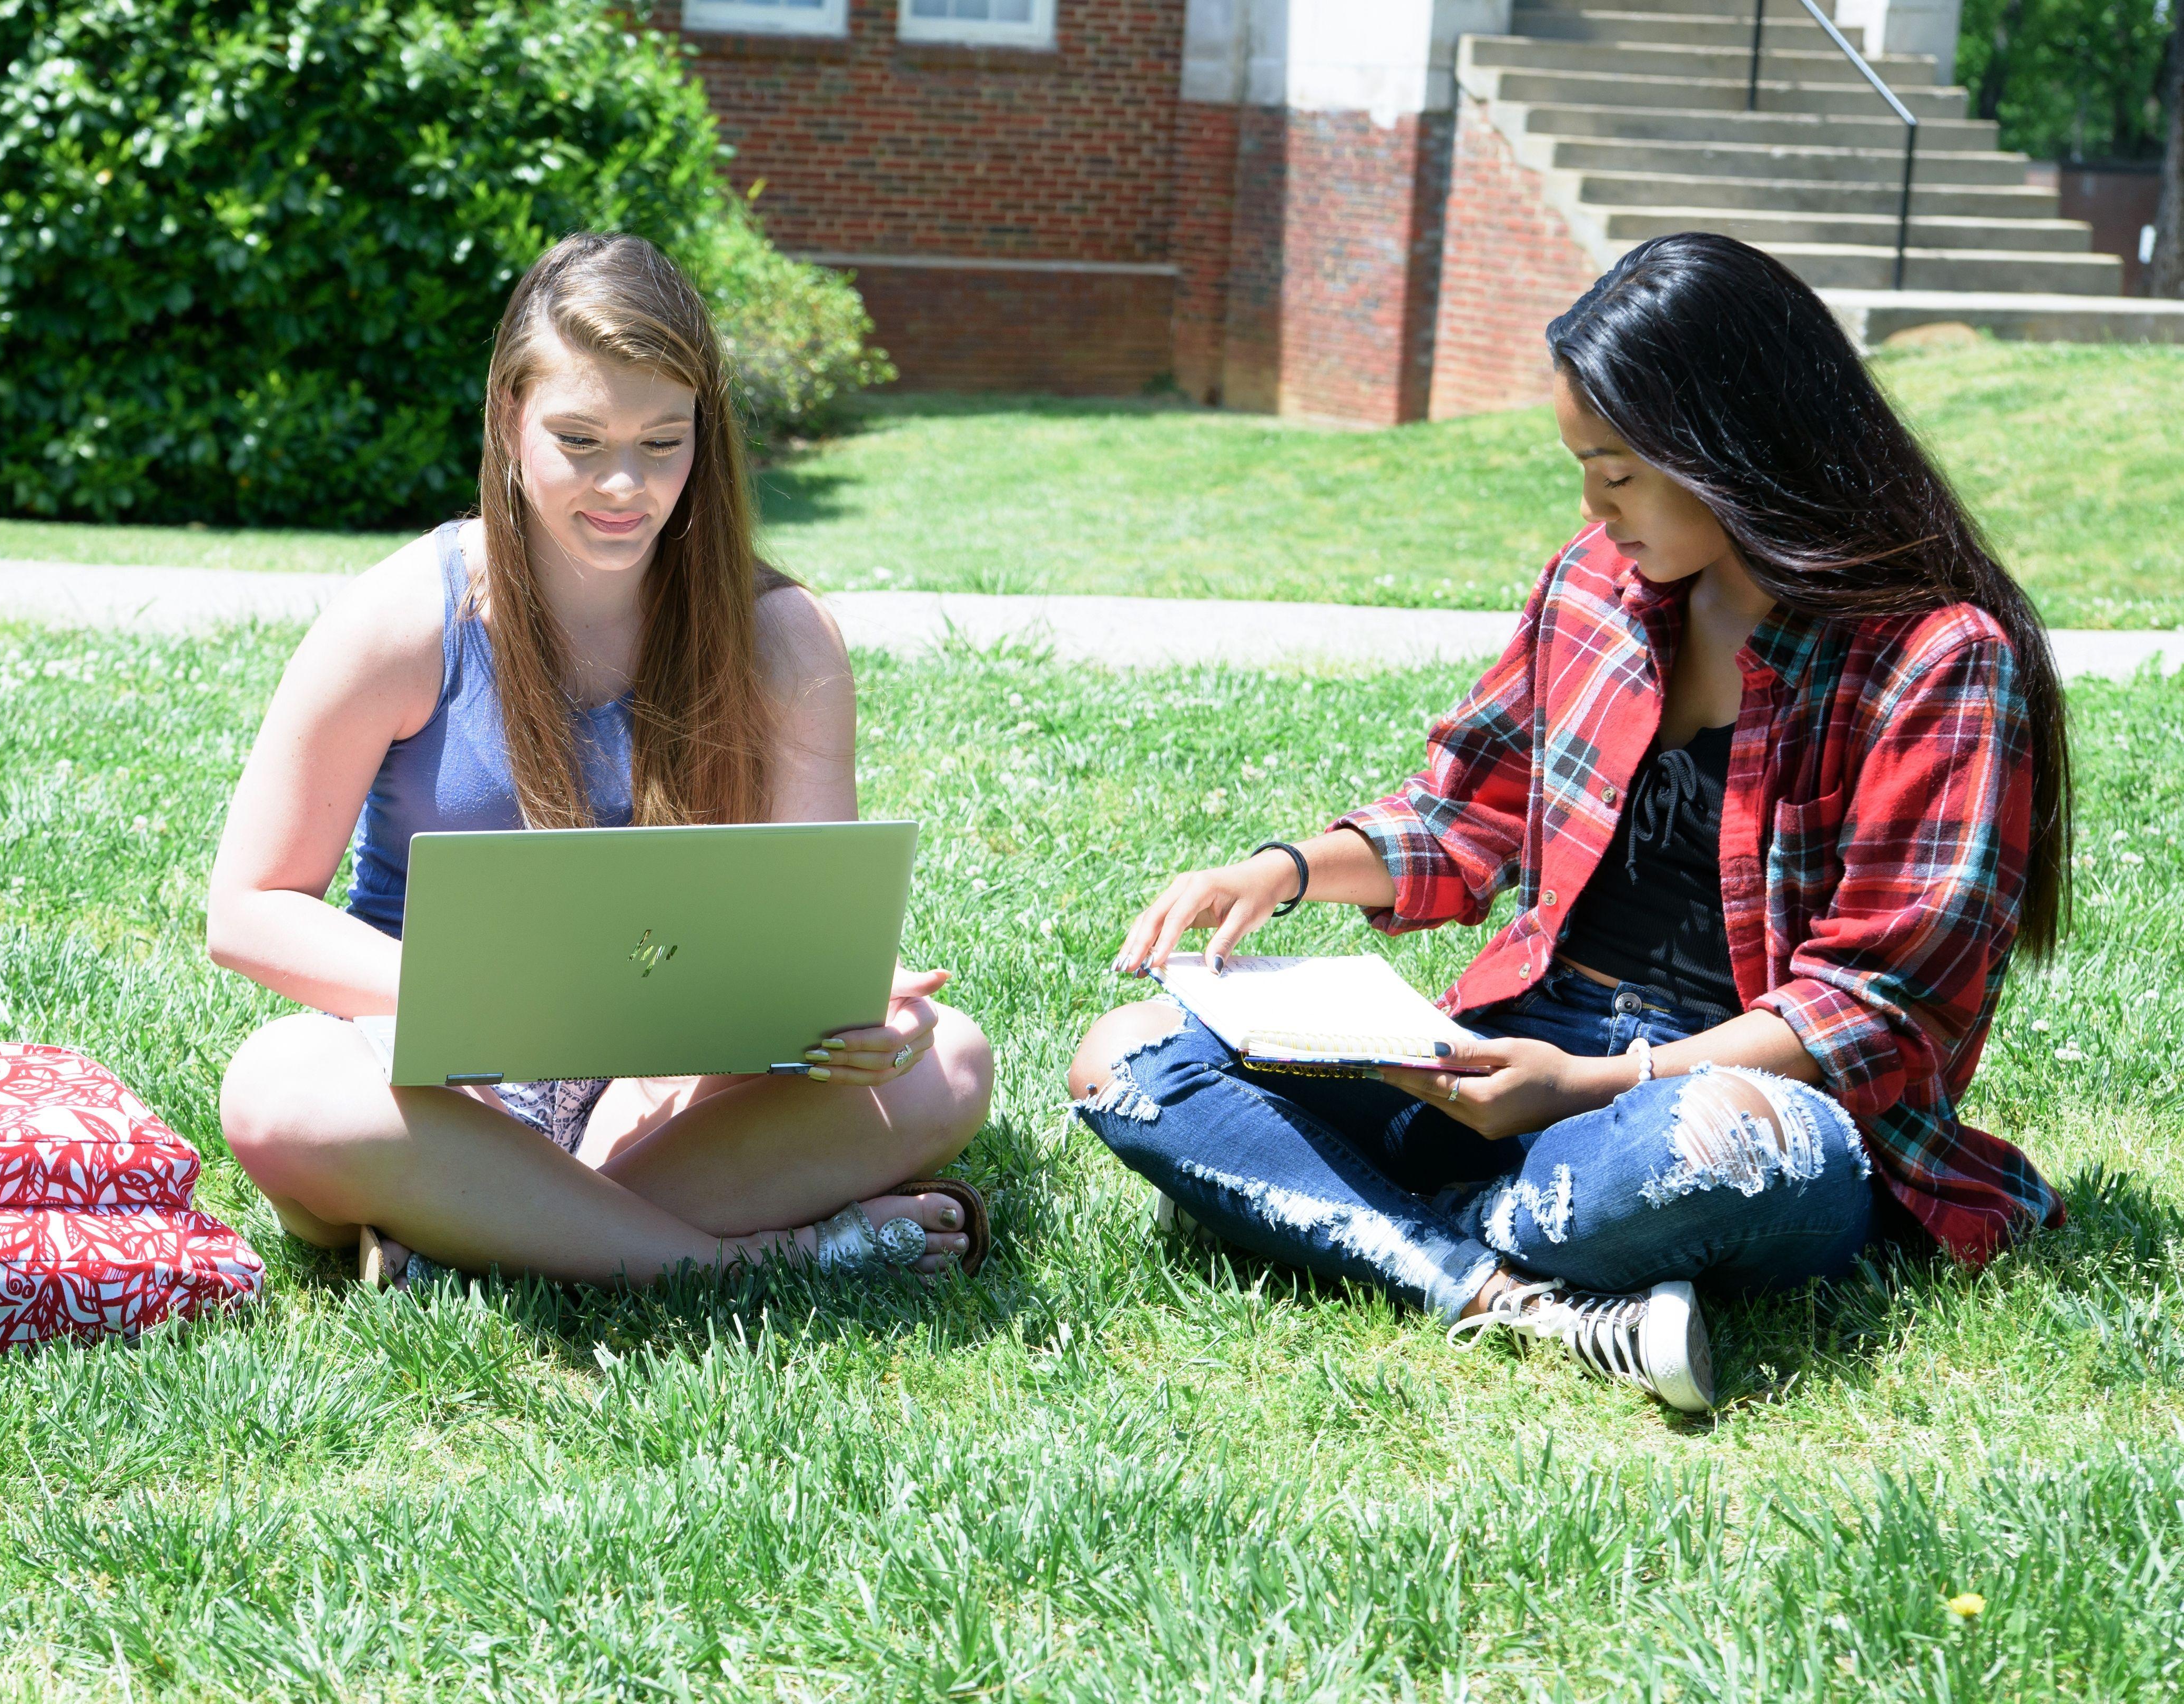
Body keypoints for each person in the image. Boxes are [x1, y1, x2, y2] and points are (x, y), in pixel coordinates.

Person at [1068, 233, 2068, 1412]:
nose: (1594, 504)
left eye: (1620, 470)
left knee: (1718, 1153)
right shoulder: (1591, 586)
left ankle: (1380, 1223)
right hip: (1511, 1046)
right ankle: (1504, 1291)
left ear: (1734, 449)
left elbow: (1869, 1010)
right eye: (1583, 466)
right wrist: (1282, 871)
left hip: (1723, 1089)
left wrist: (1586, 1083)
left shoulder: (1938, 657)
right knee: (1130, 1055)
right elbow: (1465, 813)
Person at [209, 233, 994, 1287]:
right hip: (436, 1079)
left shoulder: (783, 639)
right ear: (508, 421)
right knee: (277, 1086)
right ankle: (752, 1256)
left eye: (661, 443)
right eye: (578, 440)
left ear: (702, 440)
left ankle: (481, 1234)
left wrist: (850, 1010)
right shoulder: (404, 616)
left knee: (951, 1059)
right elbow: (250, 907)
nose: (623, 485)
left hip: (666, 1094)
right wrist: (479, 998)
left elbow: (803, 929)